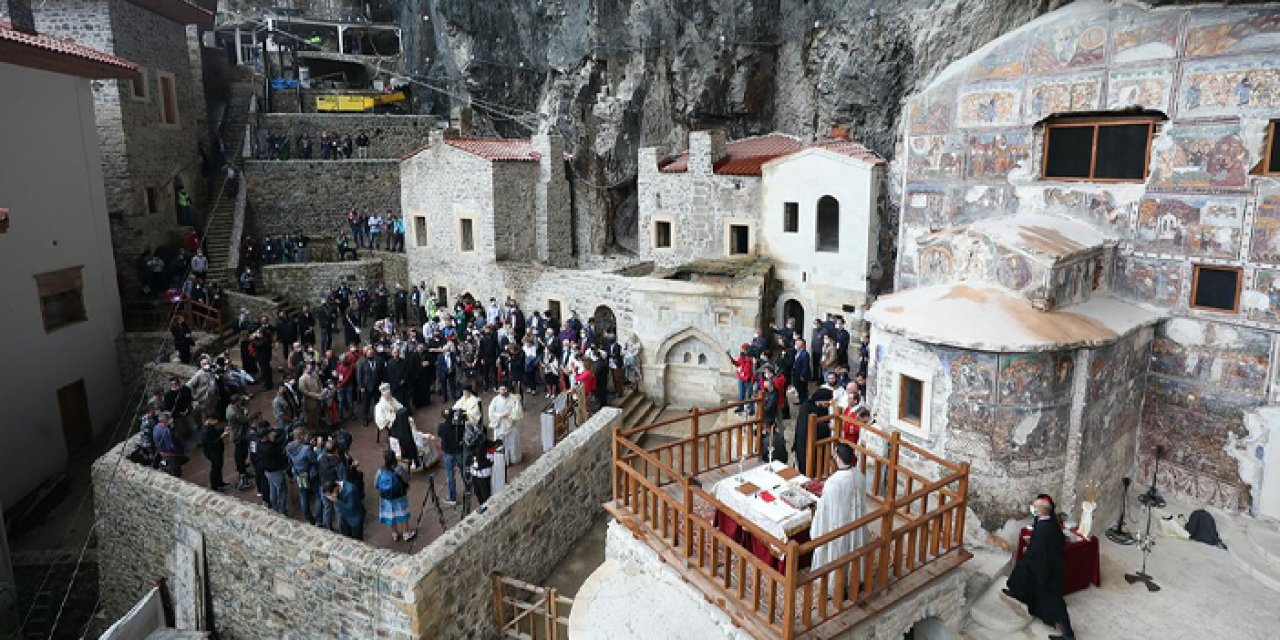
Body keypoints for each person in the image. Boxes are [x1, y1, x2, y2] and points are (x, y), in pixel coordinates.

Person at [1004, 495, 1076, 640]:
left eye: (1035, 506)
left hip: (1047, 568)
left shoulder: (1045, 527)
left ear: (1042, 510)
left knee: (1055, 600)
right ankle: (1018, 593)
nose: (1033, 508)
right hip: (1045, 563)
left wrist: (1028, 549)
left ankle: (1068, 635)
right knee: (1021, 572)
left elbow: (1040, 549)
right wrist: (1032, 541)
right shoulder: (1049, 521)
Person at [810, 443, 868, 598]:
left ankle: (836, 587)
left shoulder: (834, 482)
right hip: (855, 523)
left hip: (839, 525)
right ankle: (854, 580)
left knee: (837, 553)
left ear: (837, 458)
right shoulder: (859, 476)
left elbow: (825, 510)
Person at [375, 449, 417, 542]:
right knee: (403, 513)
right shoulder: (399, 469)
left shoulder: (380, 471)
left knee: (390, 515)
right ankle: (406, 532)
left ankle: (394, 533)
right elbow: (407, 479)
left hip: (386, 498)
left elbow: (376, 485)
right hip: (399, 496)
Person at [792, 388, 833, 476]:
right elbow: (807, 426)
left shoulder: (823, 408)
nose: (828, 405)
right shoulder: (806, 407)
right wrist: (826, 426)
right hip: (805, 442)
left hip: (819, 441)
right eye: (826, 402)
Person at [287, 430, 320, 525]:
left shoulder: (289, 447)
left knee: (303, 495)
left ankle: (308, 517)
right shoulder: (306, 449)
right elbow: (314, 460)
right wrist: (316, 450)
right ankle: (318, 517)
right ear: (301, 436)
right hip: (311, 474)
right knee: (318, 495)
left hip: (298, 474)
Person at [489, 385, 523, 466]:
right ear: (498, 390)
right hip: (500, 425)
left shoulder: (514, 399)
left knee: (512, 443)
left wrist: (511, 416)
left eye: (505, 389)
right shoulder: (495, 400)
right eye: (501, 389)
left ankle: (513, 459)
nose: (503, 391)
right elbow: (491, 413)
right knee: (501, 444)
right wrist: (501, 415)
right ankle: (503, 461)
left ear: (507, 389)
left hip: (511, 425)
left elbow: (517, 411)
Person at [323, 475, 366, 540]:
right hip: (344, 518)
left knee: (357, 538)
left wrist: (336, 500)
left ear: (335, 489)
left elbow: (350, 507)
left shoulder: (350, 490)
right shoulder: (335, 489)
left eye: (330, 494)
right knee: (346, 536)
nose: (331, 497)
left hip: (354, 518)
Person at [259, 427, 289, 515]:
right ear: (265, 436)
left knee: (273, 490)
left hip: (267, 471)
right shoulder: (270, 447)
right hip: (276, 471)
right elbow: (279, 452)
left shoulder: (259, 445)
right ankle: (282, 511)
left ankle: (275, 508)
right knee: (282, 492)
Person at [437, 408, 465, 505]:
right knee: (463, 471)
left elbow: (440, 435)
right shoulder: (460, 426)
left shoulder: (441, 427)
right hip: (459, 451)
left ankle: (452, 498)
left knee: (450, 475)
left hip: (448, 453)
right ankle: (468, 489)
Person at [198, 418, 229, 491]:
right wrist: (221, 436)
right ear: (209, 420)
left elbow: (216, 433)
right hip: (212, 452)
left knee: (219, 466)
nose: (216, 422)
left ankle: (220, 482)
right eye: (214, 420)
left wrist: (223, 430)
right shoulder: (205, 431)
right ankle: (215, 485)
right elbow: (210, 443)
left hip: (217, 450)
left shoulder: (210, 427)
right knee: (215, 468)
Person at [152, 412, 186, 477]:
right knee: (176, 470)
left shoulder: (156, 427)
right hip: (169, 454)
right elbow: (169, 446)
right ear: (164, 420)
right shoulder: (165, 430)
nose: (170, 420)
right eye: (168, 418)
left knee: (170, 466)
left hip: (162, 452)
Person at [728, 344, 756, 416]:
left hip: (748, 379)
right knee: (741, 394)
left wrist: (752, 380)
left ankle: (751, 409)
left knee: (749, 395)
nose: (742, 350)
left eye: (743, 349)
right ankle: (740, 407)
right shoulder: (741, 356)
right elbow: (738, 364)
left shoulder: (751, 358)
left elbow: (752, 370)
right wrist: (731, 359)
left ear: (747, 350)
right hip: (741, 378)